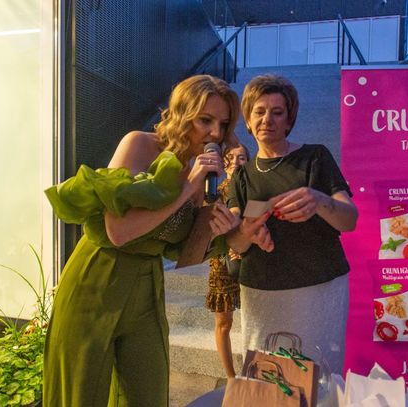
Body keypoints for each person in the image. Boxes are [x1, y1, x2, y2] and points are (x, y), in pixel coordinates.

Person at [43, 74, 240, 407]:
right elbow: (118, 232)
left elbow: (183, 255)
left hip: (147, 285)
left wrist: (219, 228)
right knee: (79, 392)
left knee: (149, 393)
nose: (216, 134)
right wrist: (187, 189)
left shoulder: (194, 170)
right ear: (183, 113)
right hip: (97, 279)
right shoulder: (139, 144)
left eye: (222, 124)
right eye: (205, 120)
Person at [226, 74, 358, 374]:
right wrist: (249, 233)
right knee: (266, 378)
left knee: (318, 377)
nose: (267, 120)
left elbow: (350, 219)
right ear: (248, 120)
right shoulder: (242, 175)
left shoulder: (315, 157)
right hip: (261, 291)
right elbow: (235, 242)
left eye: (277, 112)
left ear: (289, 120)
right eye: (259, 111)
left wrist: (318, 200)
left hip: (318, 286)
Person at [205, 143, 250, 378]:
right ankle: (231, 377)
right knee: (224, 323)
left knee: (254, 321)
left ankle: (256, 369)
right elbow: (205, 230)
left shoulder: (255, 190)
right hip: (222, 264)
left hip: (252, 262)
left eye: (241, 158)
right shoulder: (214, 193)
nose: (235, 162)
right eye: (230, 157)